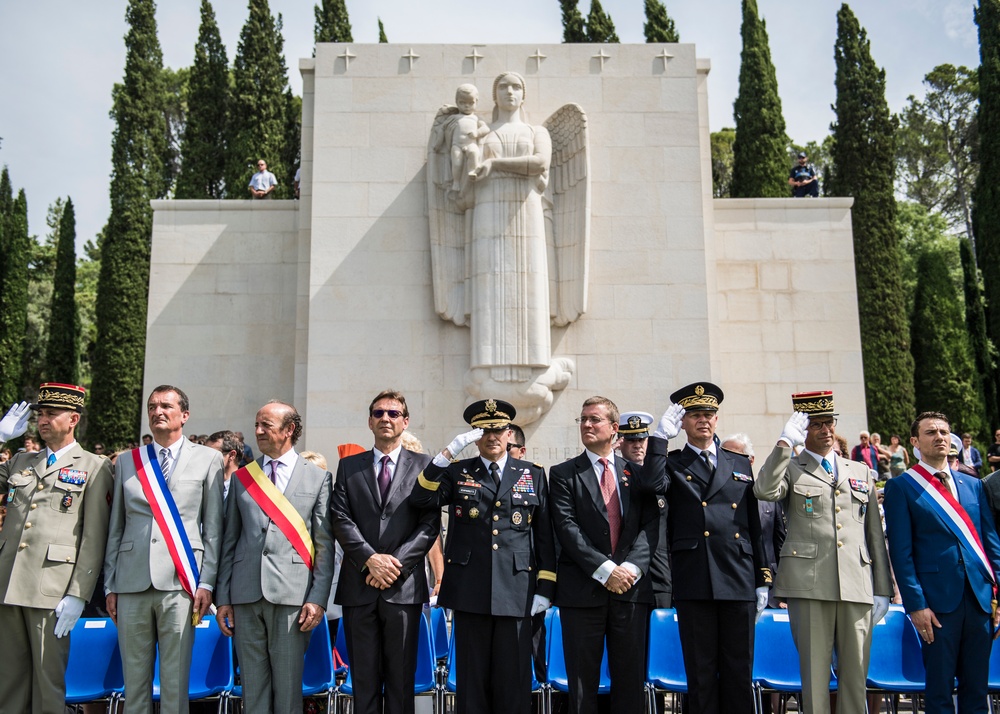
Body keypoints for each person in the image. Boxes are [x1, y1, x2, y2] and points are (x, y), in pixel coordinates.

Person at [410, 398, 556, 714]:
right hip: (469, 588)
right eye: (484, 431)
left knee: (513, 682)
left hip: (517, 590)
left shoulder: (530, 473)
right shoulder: (458, 471)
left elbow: (544, 537)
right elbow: (421, 497)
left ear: (508, 433)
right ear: (476, 435)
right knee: (472, 682)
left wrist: (545, 588)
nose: (492, 436)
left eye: (498, 429)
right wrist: (447, 454)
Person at [755, 391, 892, 714]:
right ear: (803, 430)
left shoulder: (859, 471)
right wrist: (784, 444)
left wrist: (883, 588)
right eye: (815, 424)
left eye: (829, 422)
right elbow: (764, 490)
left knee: (856, 675)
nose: (825, 430)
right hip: (809, 583)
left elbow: (873, 533)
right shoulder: (791, 467)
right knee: (815, 678)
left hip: (856, 583)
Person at [642, 382, 770, 714]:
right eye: (695, 415)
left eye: (709, 414)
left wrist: (763, 577)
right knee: (700, 673)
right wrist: (658, 440)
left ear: (717, 419)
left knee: (739, 671)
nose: (703, 420)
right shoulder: (671, 462)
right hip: (695, 576)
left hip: (737, 575)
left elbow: (753, 524)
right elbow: (652, 487)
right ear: (682, 422)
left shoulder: (739, 463)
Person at [104, 385, 224, 714]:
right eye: (152, 406)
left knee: (175, 683)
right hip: (130, 582)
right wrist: (110, 584)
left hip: (181, 583)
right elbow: (116, 527)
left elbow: (214, 530)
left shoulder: (208, 459)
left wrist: (207, 582)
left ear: (184, 415)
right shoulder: (129, 461)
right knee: (135, 685)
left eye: (166, 406)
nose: (158, 411)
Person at [215, 400, 335, 714]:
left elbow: (324, 544)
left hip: (293, 598)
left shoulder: (318, 478)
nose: (257, 432)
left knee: (287, 691)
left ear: (290, 429)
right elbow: (230, 541)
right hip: (245, 594)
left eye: (265, 425)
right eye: (257, 424)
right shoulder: (243, 477)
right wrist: (224, 596)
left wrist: (318, 598)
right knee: (252, 690)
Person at [0, 385, 114, 714]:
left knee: (47, 684)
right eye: (40, 415)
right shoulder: (21, 460)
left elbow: (94, 536)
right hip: (8, 583)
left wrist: (78, 593)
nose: (42, 421)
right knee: (7, 682)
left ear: (73, 419)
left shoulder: (94, 465)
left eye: (51, 414)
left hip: (51, 588)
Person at [884, 411, 1000, 714]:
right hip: (935, 607)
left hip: (979, 601)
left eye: (945, 432)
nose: (940, 437)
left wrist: (998, 595)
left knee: (977, 690)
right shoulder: (902, 487)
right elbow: (901, 553)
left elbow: (991, 546)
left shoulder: (973, 485)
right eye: (931, 432)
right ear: (915, 442)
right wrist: (916, 605)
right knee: (939, 692)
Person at [331, 390, 439, 714]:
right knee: (362, 682)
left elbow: (430, 524)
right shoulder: (349, 467)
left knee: (401, 683)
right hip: (358, 588)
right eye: (378, 413)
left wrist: (395, 565)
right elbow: (340, 517)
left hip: (403, 590)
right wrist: (370, 560)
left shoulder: (425, 466)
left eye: (393, 413)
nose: (385, 419)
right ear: (369, 421)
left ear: (405, 421)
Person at [549, 397, 657, 714]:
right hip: (582, 593)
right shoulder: (563, 474)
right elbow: (567, 529)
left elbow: (651, 527)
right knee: (582, 688)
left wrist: (631, 570)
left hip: (631, 592)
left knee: (630, 683)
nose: (586, 425)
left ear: (614, 428)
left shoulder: (637, 475)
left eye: (594, 419)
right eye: (582, 419)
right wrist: (607, 569)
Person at [205, 429, 244, 501]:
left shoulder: (246, 489)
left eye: (212, 454)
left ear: (232, 455)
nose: (206, 459)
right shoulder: (204, 487)